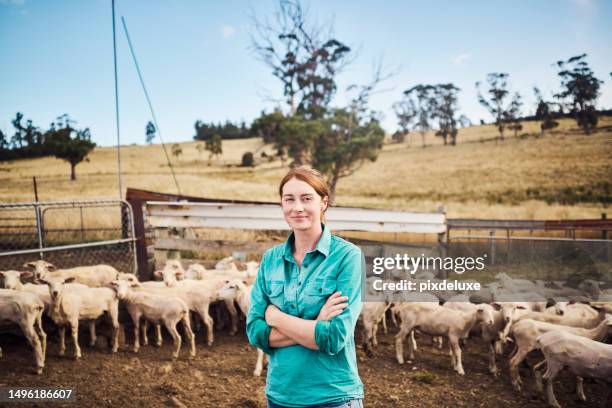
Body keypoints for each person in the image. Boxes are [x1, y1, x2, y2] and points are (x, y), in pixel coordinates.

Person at [247, 166, 365, 408]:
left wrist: (276, 317)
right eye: (289, 199)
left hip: (333, 397)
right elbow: (255, 333)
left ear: (323, 203)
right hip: (280, 395)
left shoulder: (347, 257)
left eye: (306, 198)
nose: (297, 207)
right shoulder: (270, 260)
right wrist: (315, 325)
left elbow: (333, 338)